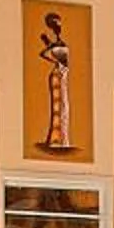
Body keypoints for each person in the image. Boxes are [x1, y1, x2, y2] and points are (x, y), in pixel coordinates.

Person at [34, 11, 74, 153]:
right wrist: (55, 58)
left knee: (63, 106)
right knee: (59, 106)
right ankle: (57, 138)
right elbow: (44, 54)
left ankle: (62, 138)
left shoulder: (58, 44)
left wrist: (50, 47)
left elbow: (56, 57)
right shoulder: (57, 45)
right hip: (58, 75)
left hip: (62, 74)